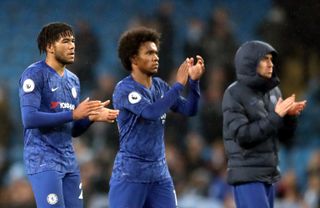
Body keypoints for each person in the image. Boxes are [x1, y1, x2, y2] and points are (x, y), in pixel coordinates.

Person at [18, 22, 119, 208]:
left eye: (73, 41)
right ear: (49, 46)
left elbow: (72, 131)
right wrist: (73, 114)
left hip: (69, 162)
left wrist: (90, 118)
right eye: (65, 41)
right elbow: (29, 119)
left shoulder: (73, 81)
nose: (72, 45)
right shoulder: (34, 74)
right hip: (43, 161)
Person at [108, 27, 205, 208]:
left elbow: (189, 109)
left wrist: (193, 82)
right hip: (131, 175)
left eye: (156, 52)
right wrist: (178, 85)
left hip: (159, 175)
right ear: (134, 59)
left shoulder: (160, 86)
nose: (156, 57)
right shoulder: (125, 89)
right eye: (149, 53)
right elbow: (150, 112)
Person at [222, 40, 306, 208]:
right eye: (265, 59)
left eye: (271, 59)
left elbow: (284, 136)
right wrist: (276, 116)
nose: (271, 64)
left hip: (268, 175)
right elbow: (243, 136)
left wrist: (289, 117)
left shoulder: (274, 91)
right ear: (250, 62)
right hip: (247, 175)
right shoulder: (234, 93)